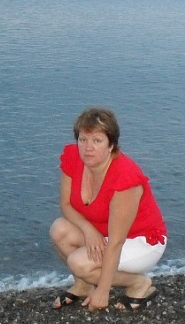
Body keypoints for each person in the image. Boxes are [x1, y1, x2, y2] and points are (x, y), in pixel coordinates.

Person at [50, 107, 167, 311]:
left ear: (111, 145)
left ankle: (138, 283)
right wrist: (89, 230)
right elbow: (65, 205)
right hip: (103, 233)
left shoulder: (124, 177)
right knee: (59, 230)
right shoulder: (73, 157)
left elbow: (116, 242)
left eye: (97, 141)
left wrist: (103, 292)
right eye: (83, 140)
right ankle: (84, 285)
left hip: (140, 241)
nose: (88, 148)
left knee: (79, 262)